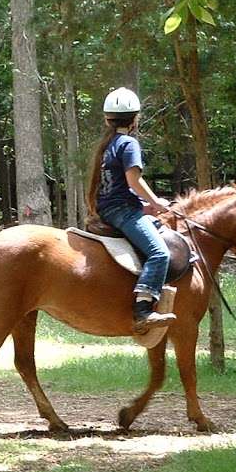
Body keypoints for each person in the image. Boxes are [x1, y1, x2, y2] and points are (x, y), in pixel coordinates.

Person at [86, 88, 176, 333]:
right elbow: (134, 181)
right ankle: (143, 310)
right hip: (122, 212)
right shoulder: (128, 143)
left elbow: (117, 187)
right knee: (160, 254)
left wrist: (143, 206)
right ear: (135, 119)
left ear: (107, 119)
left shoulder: (108, 145)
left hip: (111, 209)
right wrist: (157, 203)